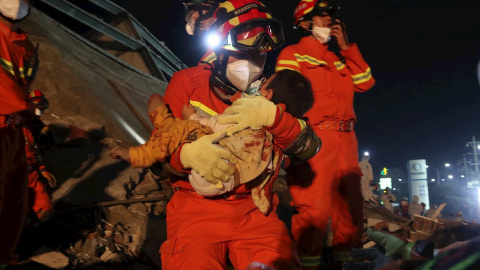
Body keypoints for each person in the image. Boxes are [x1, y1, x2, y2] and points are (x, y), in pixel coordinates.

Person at [157, 1, 321, 269]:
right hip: (196, 212)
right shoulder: (187, 83)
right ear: (220, 52)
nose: (253, 66)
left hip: (256, 212)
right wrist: (184, 156)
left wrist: (274, 118)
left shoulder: (270, 94)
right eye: (244, 56)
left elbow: (308, 147)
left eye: (260, 57)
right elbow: (159, 152)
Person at [110, 70, 314, 214]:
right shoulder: (191, 80)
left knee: (183, 130)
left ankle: (144, 147)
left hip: (212, 179)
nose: (257, 83)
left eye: (263, 83)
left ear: (267, 94)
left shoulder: (251, 110)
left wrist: (192, 118)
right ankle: (162, 124)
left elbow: (219, 124)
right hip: (228, 188)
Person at [274, 0, 376, 268]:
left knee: (350, 208)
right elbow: (286, 97)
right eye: (322, 16)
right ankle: (306, 265)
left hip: (347, 141)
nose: (330, 21)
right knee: (313, 210)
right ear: (305, 23)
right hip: (316, 138)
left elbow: (366, 82)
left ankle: (343, 264)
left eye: (331, 16)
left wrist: (346, 47)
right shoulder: (293, 54)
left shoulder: (339, 59)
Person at [0, 1, 37, 268]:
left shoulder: (24, 43)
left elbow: (23, 85)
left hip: (14, 128)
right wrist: (28, 107)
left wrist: (32, 103)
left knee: (15, 197)